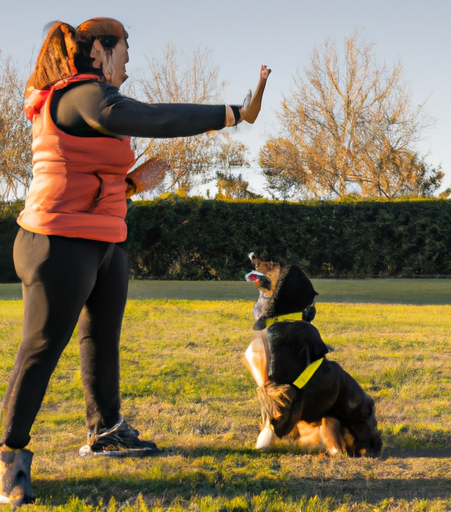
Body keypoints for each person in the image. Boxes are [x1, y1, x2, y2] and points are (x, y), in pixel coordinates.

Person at [0, 17, 270, 506]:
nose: (130, 59)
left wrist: (131, 184)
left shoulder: (94, 101)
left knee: (101, 342)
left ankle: (105, 431)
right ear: (101, 51)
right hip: (56, 243)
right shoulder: (82, 94)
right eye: (125, 47)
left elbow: (86, 174)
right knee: (40, 349)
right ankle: (8, 458)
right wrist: (234, 113)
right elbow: (154, 118)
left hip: (103, 242)